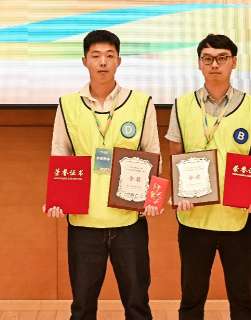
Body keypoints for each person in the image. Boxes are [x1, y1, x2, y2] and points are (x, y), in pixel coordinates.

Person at [45, 29, 162, 320]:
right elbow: (60, 155)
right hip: (83, 221)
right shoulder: (67, 104)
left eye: (109, 56)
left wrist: (153, 199)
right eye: (96, 56)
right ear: (84, 61)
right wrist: (57, 199)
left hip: (129, 220)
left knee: (137, 305)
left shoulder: (141, 103)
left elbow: (152, 154)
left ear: (119, 61)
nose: (102, 62)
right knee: (82, 307)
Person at [165, 33, 251, 320]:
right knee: (191, 298)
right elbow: (176, 156)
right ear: (199, 63)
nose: (214, 64)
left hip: (237, 218)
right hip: (194, 218)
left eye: (222, 58)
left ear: (233, 62)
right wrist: (179, 194)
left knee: (242, 298)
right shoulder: (182, 105)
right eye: (208, 58)